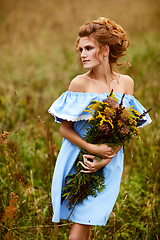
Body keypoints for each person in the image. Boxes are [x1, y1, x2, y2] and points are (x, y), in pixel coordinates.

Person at [48, 17, 151, 240]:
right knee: (81, 224)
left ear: (104, 49)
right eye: (80, 49)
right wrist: (92, 150)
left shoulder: (126, 83)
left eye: (88, 48)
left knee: (89, 220)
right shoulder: (79, 84)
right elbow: (65, 130)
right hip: (80, 159)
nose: (82, 54)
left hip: (109, 161)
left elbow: (125, 128)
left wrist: (106, 157)